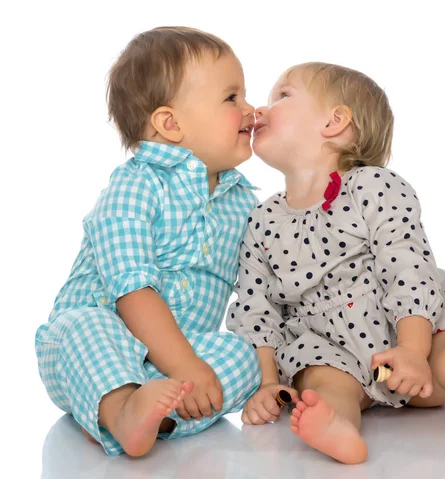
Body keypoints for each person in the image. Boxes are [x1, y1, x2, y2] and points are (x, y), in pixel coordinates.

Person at [227, 62, 445, 464]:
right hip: (331, 353)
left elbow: (408, 266)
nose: (260, 109)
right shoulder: (261, 220)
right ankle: (336, 425)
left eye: (281, 96)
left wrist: (412, 349)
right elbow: (256, 307)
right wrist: (268, 383)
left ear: (334, 121)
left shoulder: (374, 186)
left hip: (412, 347)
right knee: (320, 385)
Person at [35, 26, 261, 457]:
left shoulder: (243, 203)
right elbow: (131, 289)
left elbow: (260, 292)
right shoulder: (135, 186)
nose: (250, 109)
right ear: (170, 123)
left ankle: (149, 418)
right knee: (85, 325)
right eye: (232, 98)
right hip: (98, 344)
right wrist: (186, 366)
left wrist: (189, 368)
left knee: (242, 357)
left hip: (174, 361)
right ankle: (118, 406)